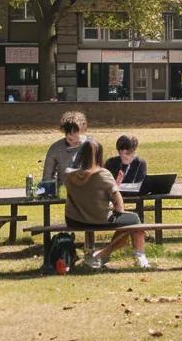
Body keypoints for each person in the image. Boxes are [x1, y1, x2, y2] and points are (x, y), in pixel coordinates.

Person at [64, 139, 149, 269]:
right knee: (133, 220)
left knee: (129, 223)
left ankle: (100, 256)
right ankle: (136, 257)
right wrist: (118, 211)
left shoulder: (69, 175)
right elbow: (119, 203)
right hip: (99, 219)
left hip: (74, 220)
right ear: (99, 155)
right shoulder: (103, 174)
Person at [42, 111, 87, 183]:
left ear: (83, 132)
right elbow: (47, 179)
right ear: (65, 134)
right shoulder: (56, 149)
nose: (73, 143)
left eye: (77, 141)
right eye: (70, 139)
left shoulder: (92, 147)